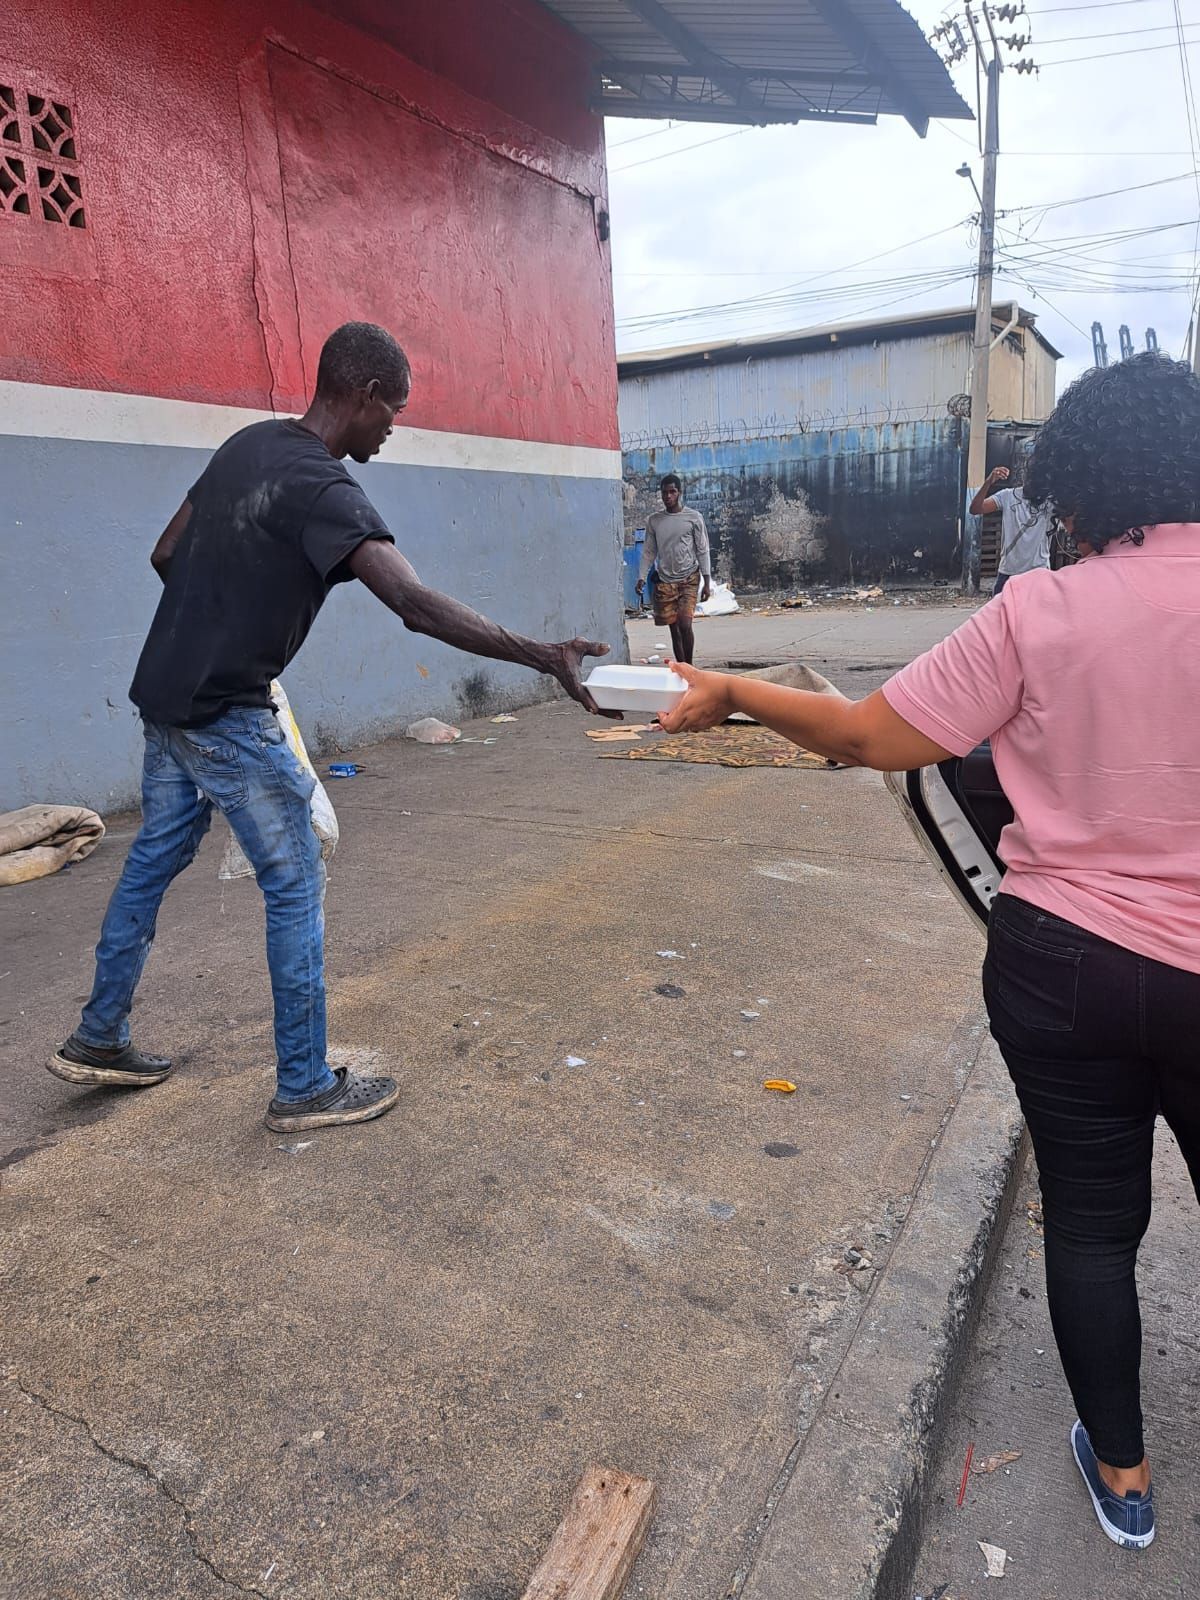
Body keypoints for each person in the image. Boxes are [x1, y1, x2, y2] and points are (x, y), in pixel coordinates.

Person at [657, 351, 1200, 1554]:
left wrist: (736, 690)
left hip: (1062, 964)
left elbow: (869, 737)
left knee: (1094, 1222)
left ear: (1083, 484)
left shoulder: (1039, 611)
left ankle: (1125, 1481)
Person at [49, 322, 613, 1133]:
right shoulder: (328, 491)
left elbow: (167, 553)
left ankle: (100, 1035)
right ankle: (305, 1085)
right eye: (395, 411)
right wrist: (542, 654)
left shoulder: (248, 445)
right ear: (365, 395)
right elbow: (413, 604)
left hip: (166, 697)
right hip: (226, 713)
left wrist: (223, 617)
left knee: (153, 859)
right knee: (296, 875)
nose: (394, 428)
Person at [635, 474, 712, 664]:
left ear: (679, 493)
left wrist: (707, 582)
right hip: (665, 582)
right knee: (674, 629)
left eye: (672, 492)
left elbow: (702, 549)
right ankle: (682, 670)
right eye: (665, 492)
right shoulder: (654, 521)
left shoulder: (693, 518)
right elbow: (649, 552)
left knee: (685, 624)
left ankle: (689, 667)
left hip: (689, 578)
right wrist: (641, 577)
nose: (668, 496)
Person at [970, 460, 1053, 595]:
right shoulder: (1007, 496)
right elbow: (975, 509)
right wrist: (988, 482)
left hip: (1039, 572)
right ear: (1024, 476)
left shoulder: (1050, 502)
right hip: (1009, 572)